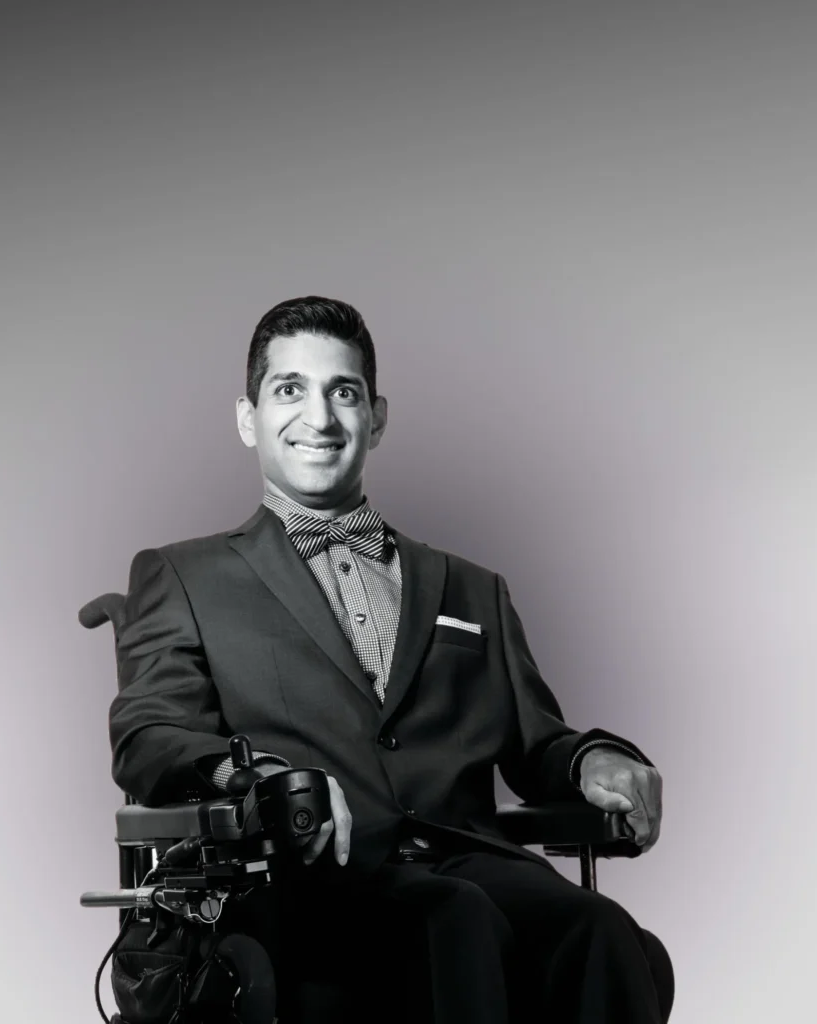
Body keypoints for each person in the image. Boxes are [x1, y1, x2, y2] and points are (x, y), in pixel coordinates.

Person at [108, 296, 671, 1023]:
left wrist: (592, 759)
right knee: (452, 920)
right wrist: (256, 774)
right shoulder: (183, 576)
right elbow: (149, 735)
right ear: (247, 418)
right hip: (304, 876)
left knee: (596, 933)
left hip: (465, 855)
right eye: (290, 390)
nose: (320, 417)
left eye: (342, 392)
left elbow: (537, 742)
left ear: (375, 416)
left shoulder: (472, 587)